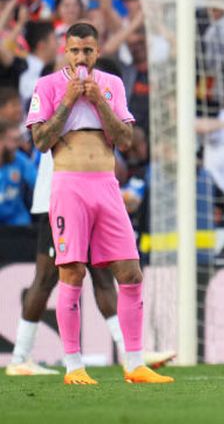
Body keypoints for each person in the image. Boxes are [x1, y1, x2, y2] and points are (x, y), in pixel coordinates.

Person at [24, 22, 171, 384]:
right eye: (74, 51)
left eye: (87, 51)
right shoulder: (48, 86)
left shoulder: (113, 85)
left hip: (106, 185)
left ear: (97, 50)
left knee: (130, 272)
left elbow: (125, 138)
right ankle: (74, 367)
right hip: (68, 186)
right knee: (70, 272)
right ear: (65, 50)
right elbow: (41, 141)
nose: (81, 58)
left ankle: (135, 363)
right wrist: (70, 100)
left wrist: (98, 100)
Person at [5, 139, 175, 375]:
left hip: (89, 198)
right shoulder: (61, 107)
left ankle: (130, 353)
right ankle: (20, 358)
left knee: (103, 274)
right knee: (47, 278)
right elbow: (42, 139)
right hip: (58, 199)